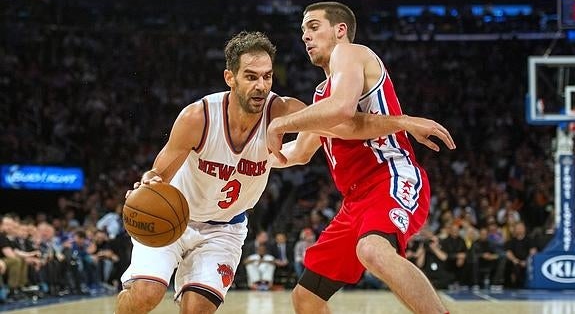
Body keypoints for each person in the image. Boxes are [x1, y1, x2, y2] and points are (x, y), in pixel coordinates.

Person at [115, 31, 454, 314]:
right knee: (146, 294)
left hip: (225, 230)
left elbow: (346, 126)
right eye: (251, 77)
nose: (261, 85)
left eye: (267, 76)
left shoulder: (286, 111)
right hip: (176, 219)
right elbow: (159, 171)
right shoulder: (197, 117)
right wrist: (147, 184)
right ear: (230, 77)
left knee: (196, 310)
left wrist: (403, 122)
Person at [267, 2, 454, 313]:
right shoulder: (320, 96)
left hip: (391, 177)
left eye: (314, 27)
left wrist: (281, 123)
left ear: (340, 31)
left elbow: (342, 108)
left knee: (372, 250)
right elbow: (298, 153)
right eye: (303, 31)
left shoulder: (351, 52)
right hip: (354, 202)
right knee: (306, 298)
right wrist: (249, 159)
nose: (305, 37)